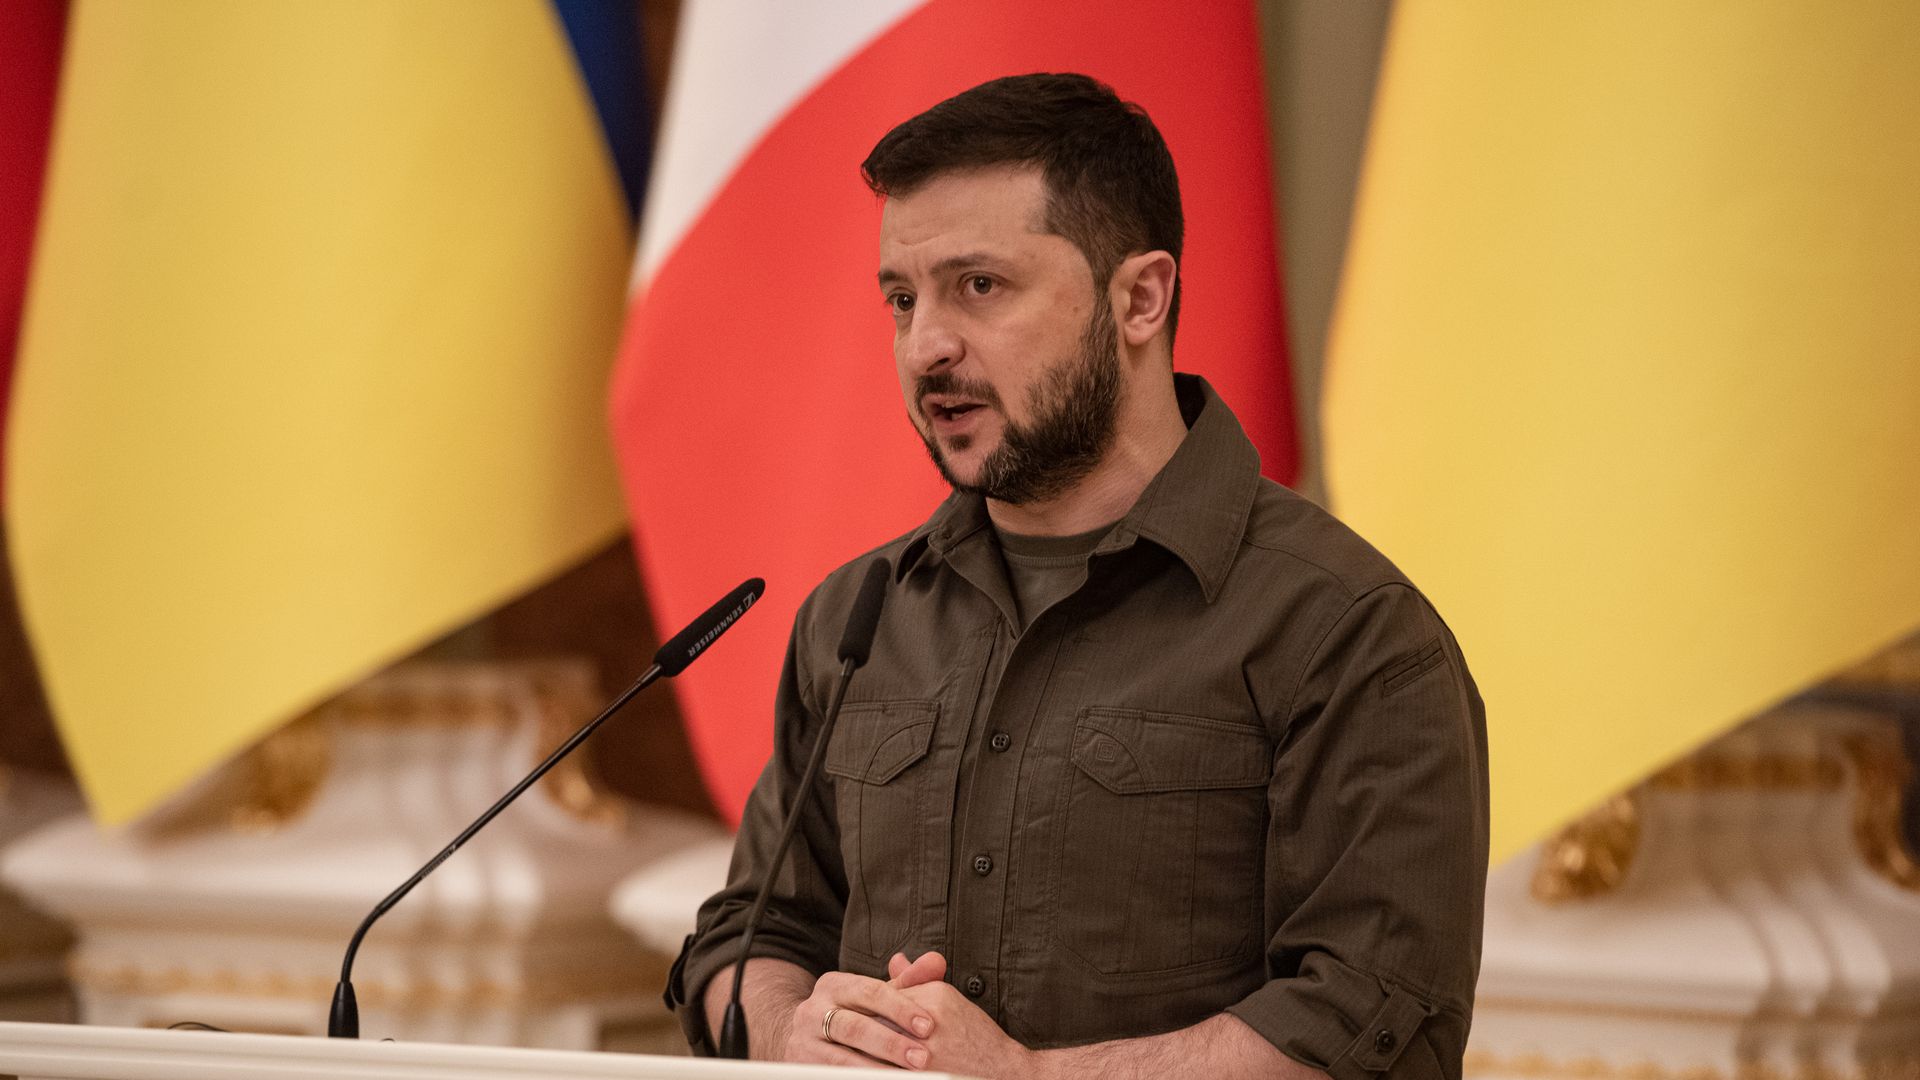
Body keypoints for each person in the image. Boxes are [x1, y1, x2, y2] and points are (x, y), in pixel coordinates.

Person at [666, 72, 1488, 1079]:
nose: (926, 346)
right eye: (901, 297)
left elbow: (1371, 1020)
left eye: (981, 286)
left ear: (1141, 297)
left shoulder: (1347, 630)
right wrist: (798, 1029)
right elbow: (745, 938)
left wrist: (1032, 1077)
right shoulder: (860, 616)